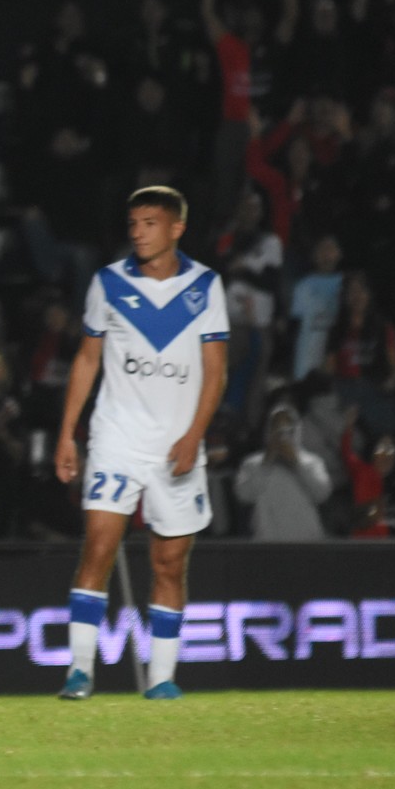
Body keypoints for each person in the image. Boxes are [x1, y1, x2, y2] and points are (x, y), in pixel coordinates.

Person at [54, 186, 229, 701]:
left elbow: (215, 373)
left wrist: (194, 435)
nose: (137, 232)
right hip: (117, 437)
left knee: (169, 563)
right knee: (99, 545)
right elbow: (87, 360)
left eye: (149, 223)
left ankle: (162, 679)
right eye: (133, 223)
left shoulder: (204, 287)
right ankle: (79, 671)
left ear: (176, 228)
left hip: (176, 445)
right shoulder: (107, 283)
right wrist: (68, 432)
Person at [234, 404, 333, 539]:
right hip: (267, 539)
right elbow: (244, 496)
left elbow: (322, 495)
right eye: (277, 431)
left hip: (307, 540)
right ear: (269, 431)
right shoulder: (252, 463)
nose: (282, 437)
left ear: (296, 431)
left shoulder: (312, 462)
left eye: (288, 430)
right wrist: (266, 463)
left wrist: (296, 464)